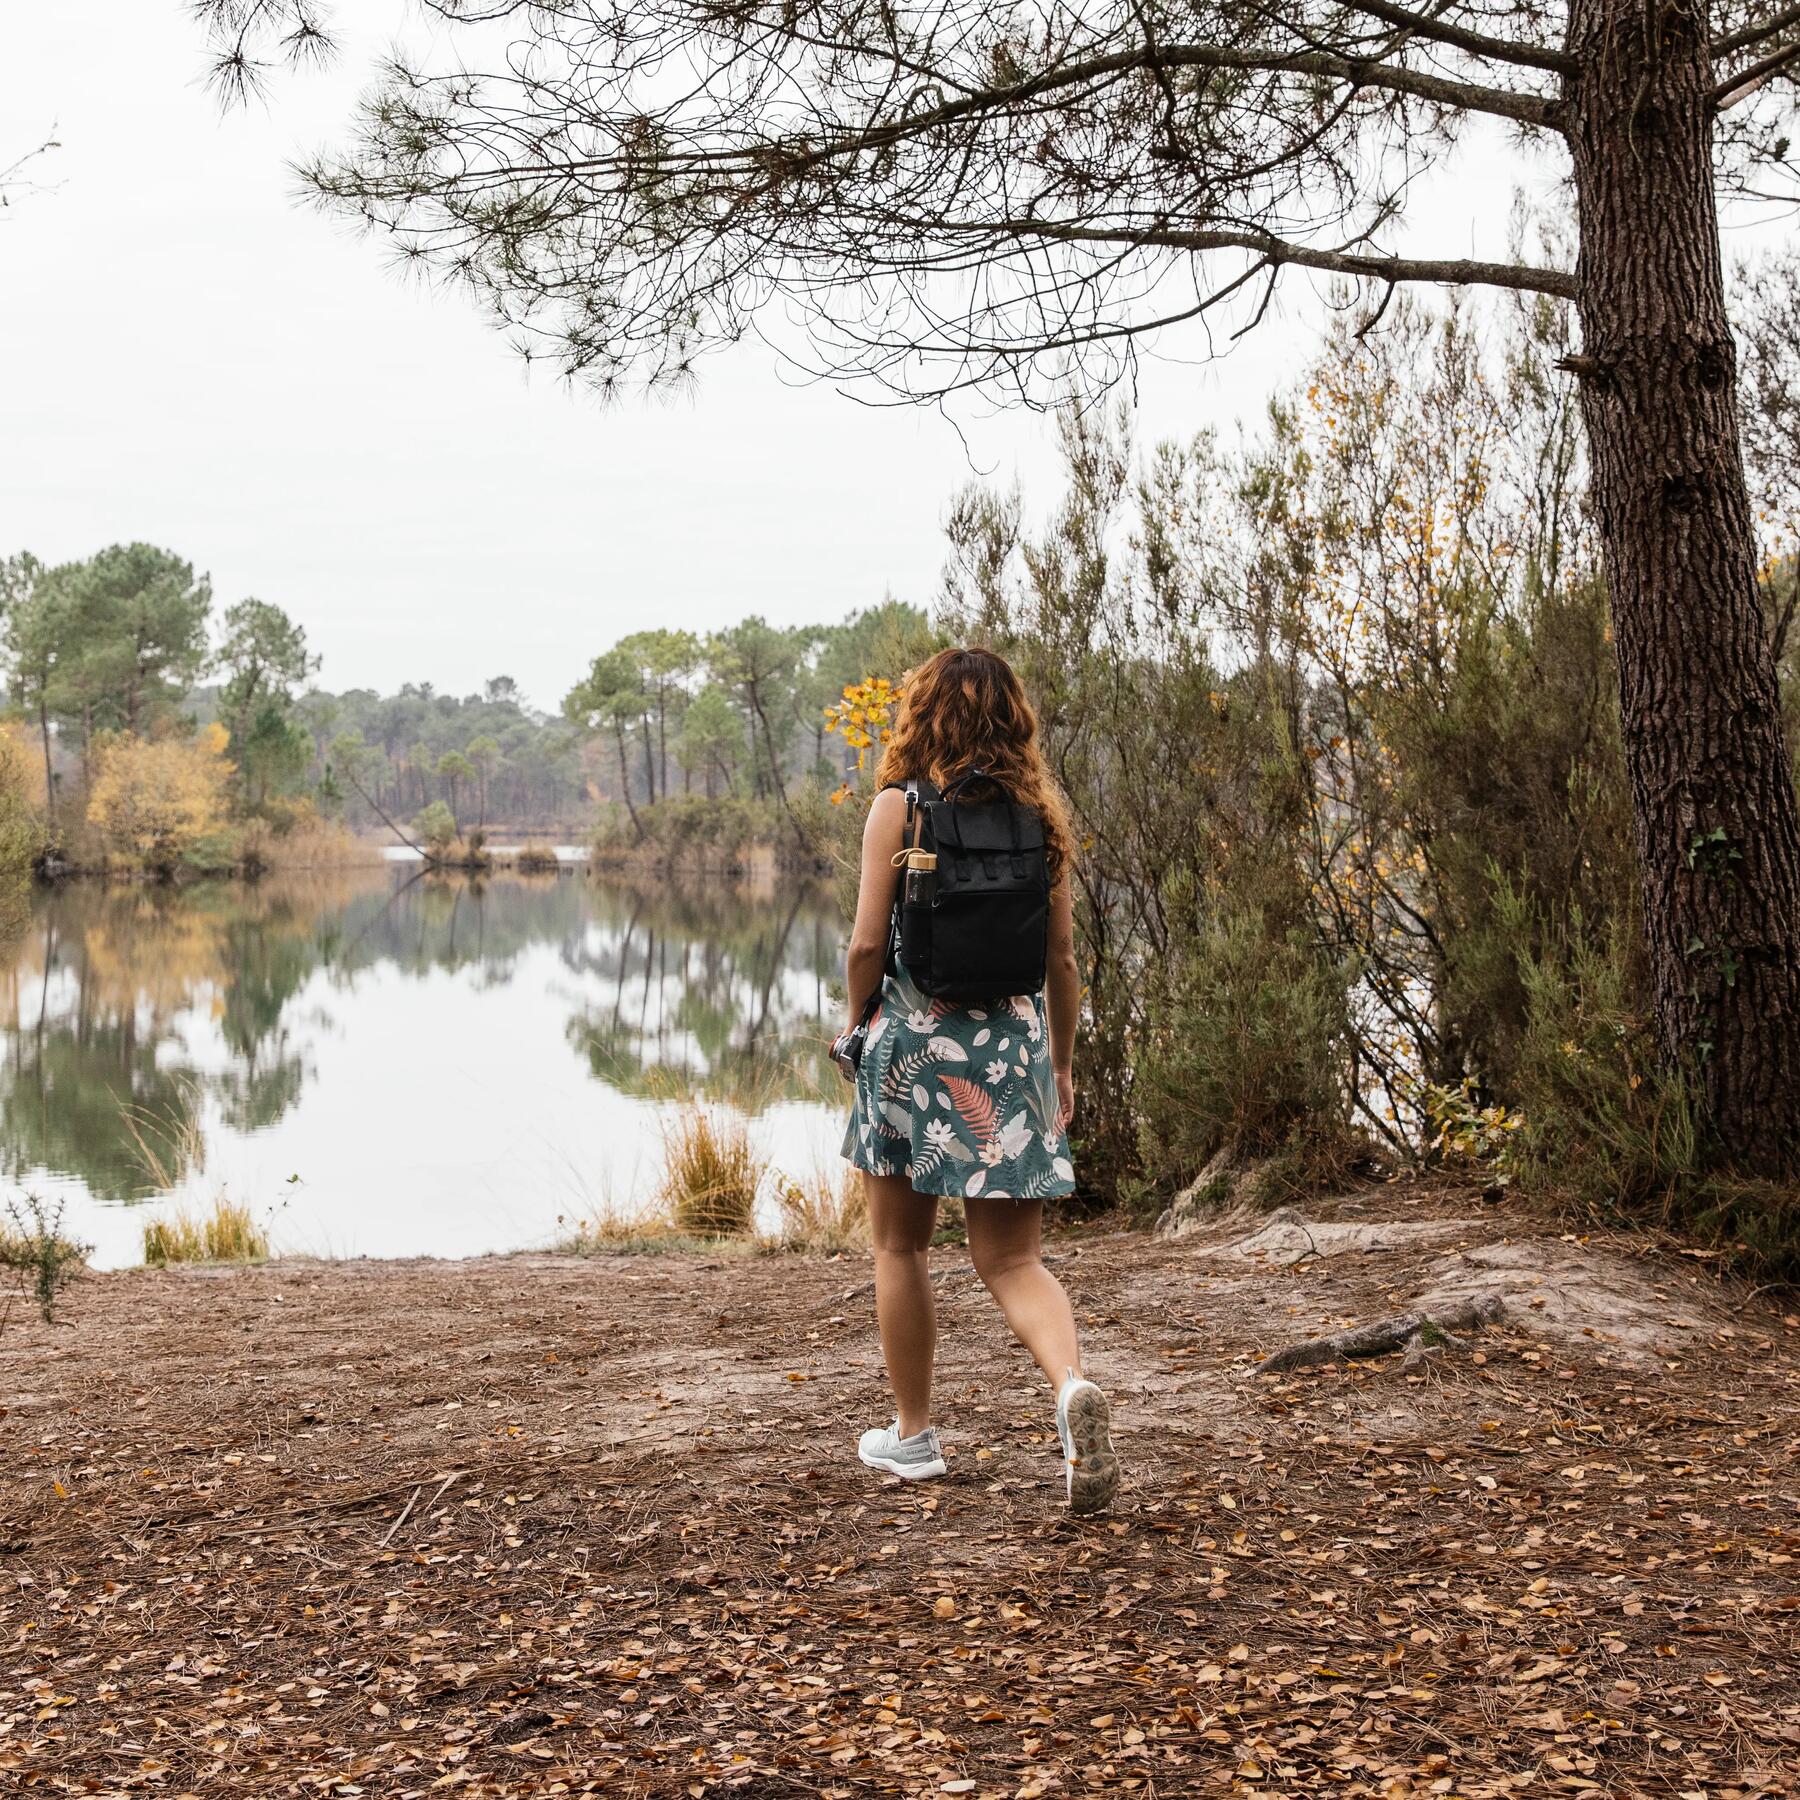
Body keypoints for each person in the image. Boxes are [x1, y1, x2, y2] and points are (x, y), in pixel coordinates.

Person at [836, 646, 1119, 1514]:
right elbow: (1062, 960)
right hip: (1012, 1054)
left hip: (912, 1050)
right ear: (1014, 720)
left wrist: (856, 1025)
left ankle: (914, 1436)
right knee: (1013, 1258)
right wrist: (1060, 1063)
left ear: (922, 715)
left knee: (901, 1246)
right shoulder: (1040, 818)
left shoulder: (900, 809)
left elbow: (863, 947)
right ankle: (1071, 1388)